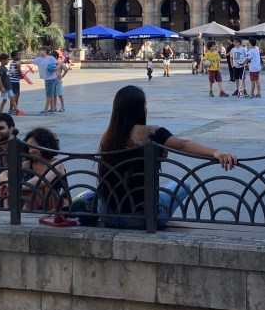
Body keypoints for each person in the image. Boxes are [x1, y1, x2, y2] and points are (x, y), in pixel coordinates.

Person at [97, 85, 236, 227]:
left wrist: (156, 153)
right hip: (142, 218)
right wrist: (214, 152)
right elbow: (183, 145)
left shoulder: (108, 135)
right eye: (145, 105)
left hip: (108, 214)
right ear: (139, 109)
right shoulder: (152, 133)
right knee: (183, 185)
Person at [0, 126, 70, 213]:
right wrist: (9, 185)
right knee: (6, 186)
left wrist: (15, 186)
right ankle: (7, 212)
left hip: (57, 204)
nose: (30, 151)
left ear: (45, 146)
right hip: (36, 203)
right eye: (29, 147)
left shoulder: (56, 163)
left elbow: (40, 182)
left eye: (34, 147)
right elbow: (3, 174)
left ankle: (22, 214)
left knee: (33, 189)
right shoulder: (29, 164)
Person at [32, 47, 59, 114]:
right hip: (46, 78)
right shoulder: (39, 59)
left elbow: (57, 64)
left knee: (48, 95)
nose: (39, 52)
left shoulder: (50, 58)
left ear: (44, 51)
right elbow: (31, 61)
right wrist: (20, 62)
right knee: (50, 94)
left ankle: (45, 110)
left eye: (40, 50)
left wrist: (56, 68)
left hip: (51, 78)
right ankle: (52, 108)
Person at [7, 50, 32, 115]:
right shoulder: (17, 63)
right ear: (14, 57)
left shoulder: (12, 62)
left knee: (12, 96)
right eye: (18, 55)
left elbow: (13, 71)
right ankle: (15, 110)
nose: (20, 56)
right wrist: (21, 76)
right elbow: (18, 70)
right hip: (15, 81)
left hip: (11, 81)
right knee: (16, 95)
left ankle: (11, 109)